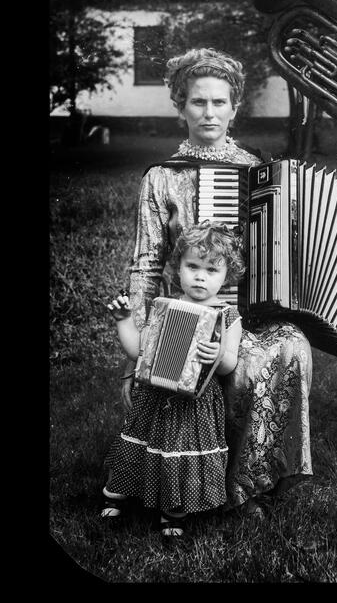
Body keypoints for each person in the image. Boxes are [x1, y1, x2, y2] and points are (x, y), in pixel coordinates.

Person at [119, 47, 313, 518]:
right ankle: (196, 481)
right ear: (181, 107)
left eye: (219, 103)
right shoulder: (162, 178)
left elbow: (276, 257)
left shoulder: (258, 173)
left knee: (291, 345)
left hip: (240, 315)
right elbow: (146, 264)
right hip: (181, 319)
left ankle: (249, 483)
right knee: (222, 367)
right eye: (198, 102)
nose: (209, 113)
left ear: (234, 107)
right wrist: (137, 346)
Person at [102, 222, 243, 538]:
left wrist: (216, 355)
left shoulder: (227, 316)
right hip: (154, 396)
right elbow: (139, 350)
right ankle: (118, 493)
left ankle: (172, 510)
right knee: (139, 443)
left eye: (211, 270)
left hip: (195, 404)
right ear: (178, 268)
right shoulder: (163, 306)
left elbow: (230, 362)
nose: (200, 276)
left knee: (180, 453)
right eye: (192, 266)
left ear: (227, 276)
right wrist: (124, 320)